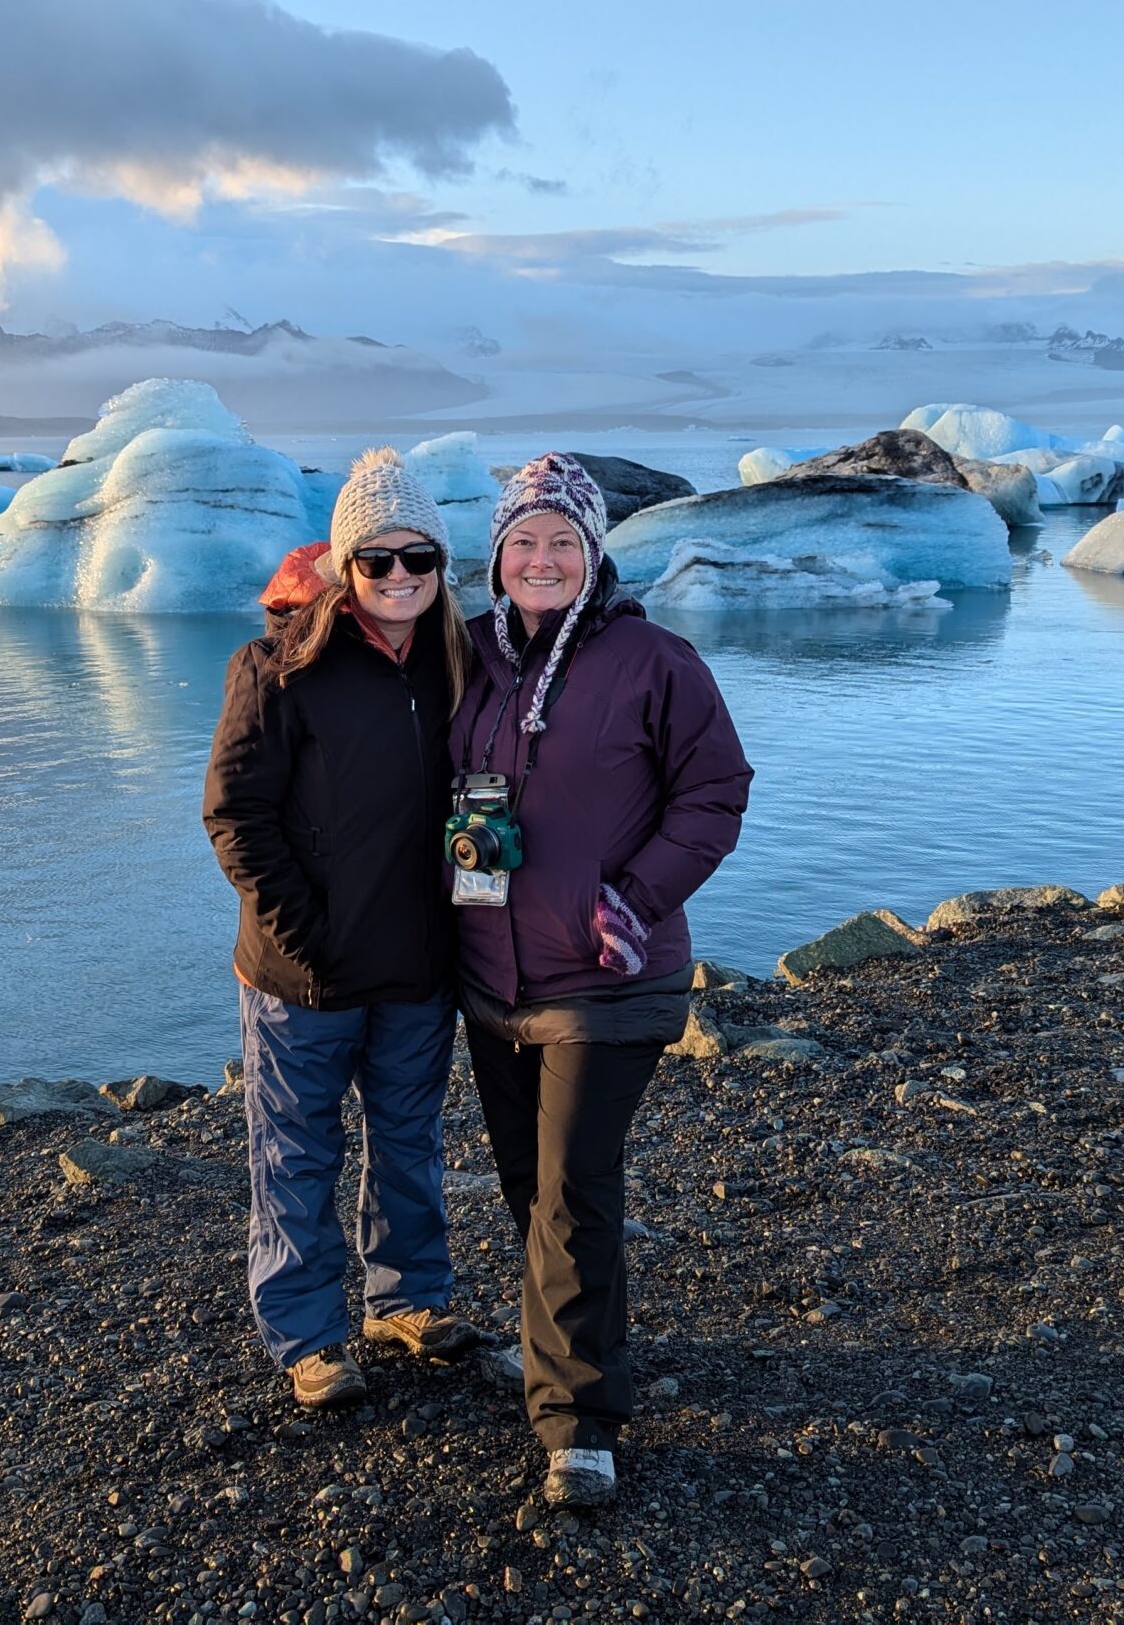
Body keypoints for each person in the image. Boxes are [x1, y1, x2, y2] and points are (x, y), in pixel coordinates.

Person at [450, 452, 752, 1506]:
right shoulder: (473, 656)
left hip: (608, 974)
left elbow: (716, 790)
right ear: (497, 554)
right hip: (493, 977)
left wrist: (638, 896)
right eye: (524, 540)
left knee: (573, 1185)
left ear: (593, 553)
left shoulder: (654, 660)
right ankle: (558, 1356)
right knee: (534, 1190)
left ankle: (579, 1422)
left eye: (562, 541)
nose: (541, 557)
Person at [203, 448, 485, 1410]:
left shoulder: (460, 662)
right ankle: (307, 1335)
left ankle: (404, 1298)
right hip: (304, 972)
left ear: (443, 566)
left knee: (408, 1139)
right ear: (344, 566)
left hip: (418, 958)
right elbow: (236, 817)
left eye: (421, 559)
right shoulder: (279, 665)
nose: (401, 577)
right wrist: (303, 934)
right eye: (378, 561)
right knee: (296, 1151)